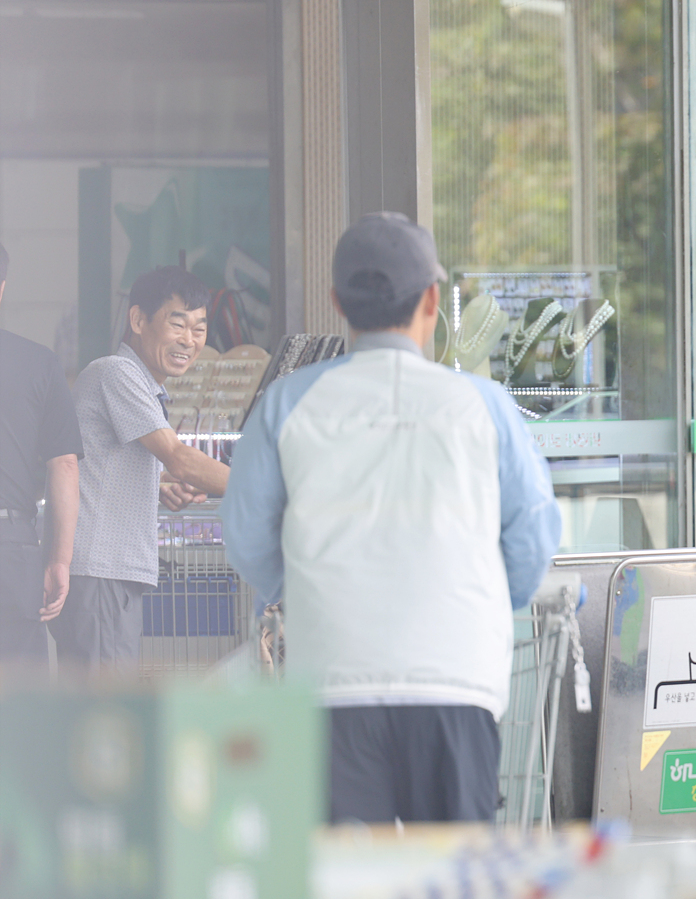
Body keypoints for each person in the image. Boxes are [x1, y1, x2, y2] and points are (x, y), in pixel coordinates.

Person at [223, 213, 561, 823]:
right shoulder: (483, 407)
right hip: (456, 679)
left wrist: (301, 591)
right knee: (453, 893)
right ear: (432, 300)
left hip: (331, 677)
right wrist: (479, 601)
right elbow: (534, 539)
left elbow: (246, 536)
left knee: (345, 893)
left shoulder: (287, 404)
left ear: (336, 303)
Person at [53, 267, 231, 668]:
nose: (190, 339)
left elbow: (104, 463)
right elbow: (180, 457)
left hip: (106, 573)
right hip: (102, 571)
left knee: (96, 709)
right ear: (138, 320)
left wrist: (159, 483)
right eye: (178, 323)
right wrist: (269, 489)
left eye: (200, 328)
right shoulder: (118, 371)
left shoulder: (136, 381)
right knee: (105, 710)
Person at [0, 242, 82, 665]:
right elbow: (64, 465)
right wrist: (58, 561)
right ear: (3, 284)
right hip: (12, 550)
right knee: (18, 706)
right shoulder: (39, 363)